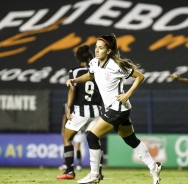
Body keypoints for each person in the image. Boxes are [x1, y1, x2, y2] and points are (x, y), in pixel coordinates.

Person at [66, 33, 162, 184]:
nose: (97, 51)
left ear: (108, 50)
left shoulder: (116, 65)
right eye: (96, 47)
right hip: (118, 109)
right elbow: (90, 76)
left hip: (118, 108)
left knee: (91, 136)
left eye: (101, 48)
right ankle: (153, 166)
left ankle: (94, 174)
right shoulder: (94, 63)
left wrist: (127, 94)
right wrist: (75, 80)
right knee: (131, 140)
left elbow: (140, 77)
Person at [56, 45, 104, 180]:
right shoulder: (99, 71)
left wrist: (68, 108)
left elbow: (72, 89)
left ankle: (69, 171)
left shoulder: (75, 72)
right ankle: (98, 171)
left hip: (80, 112)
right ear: (90, 57)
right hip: (96, 111)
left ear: (79, 59)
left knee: (67, 138)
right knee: (95, 140)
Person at [58, 103, 85, 171]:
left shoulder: (82, 102)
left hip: (80, 127)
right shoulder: (67, 104)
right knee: (67, 143)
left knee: (77, 146)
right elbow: (65, 116)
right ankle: (65, 164)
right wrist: (63, 128)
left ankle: (78, 164)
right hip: (70, 126)